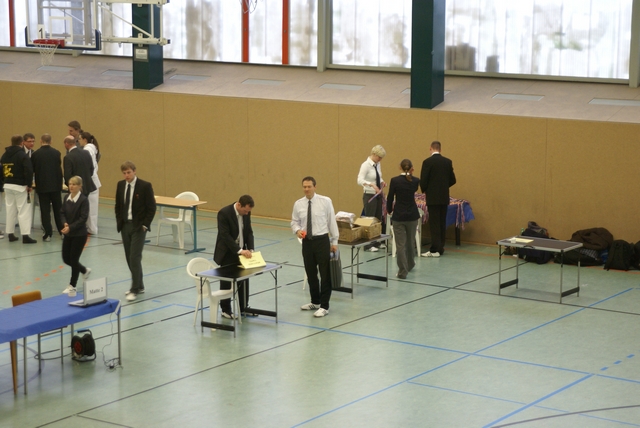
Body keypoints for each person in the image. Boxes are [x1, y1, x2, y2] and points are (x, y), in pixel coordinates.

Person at [291, 176, 339, 318]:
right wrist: (297, 230)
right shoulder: (298, 204)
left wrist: (334, 242)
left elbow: (331, 222)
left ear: (315, 187)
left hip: (322, 241)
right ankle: (315, 301)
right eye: (304, 187)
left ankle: (324, 306)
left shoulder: (325, 201)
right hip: (307, 242)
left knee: (325, 274)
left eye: (309, 186)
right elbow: (294, 221)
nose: (306, 189)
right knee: (311, 273)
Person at [114, 161, 156, 301]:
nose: (126, 175)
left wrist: (145, 225)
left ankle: (134, 288)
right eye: (124, 173)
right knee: (128, 257)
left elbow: (151, 208)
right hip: (125, 226)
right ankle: (140, 285)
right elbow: (118, 205)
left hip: (138, 227)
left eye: (129, 172)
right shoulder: (120, 185)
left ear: (134, 171)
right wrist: (119, 221)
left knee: (134, 257)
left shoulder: (144, 186)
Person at [213, 195, 255, 319]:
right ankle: (225, 310)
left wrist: (251, 249)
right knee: (226, 282)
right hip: (227, 252)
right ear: (239, 205)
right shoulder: (224, 213)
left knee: (244, 279)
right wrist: (239, 251)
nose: (246, 213)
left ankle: (244, 307)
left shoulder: (246, 213)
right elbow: (225, 235)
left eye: (248, 211)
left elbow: (249, 232)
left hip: (242, 251)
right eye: (245, 211)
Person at [419, 141, 456, 258]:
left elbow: (423, 181)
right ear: (440, 149)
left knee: (434, 223)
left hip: (433, 197)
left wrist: (427, 190)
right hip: (444, 197)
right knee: (441, 222)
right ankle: (441, 247)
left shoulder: (427, 162)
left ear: (430, 148)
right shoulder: (447, 162)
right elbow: (453, 180)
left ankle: (435, 249)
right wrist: (443, 187)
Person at [386, 159, 421, 279]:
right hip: (412, 215)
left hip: (399, 215)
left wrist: (389, 210)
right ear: (412, 168)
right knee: (410, 242)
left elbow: (390, 197)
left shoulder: (395, 181)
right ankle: (410, 264)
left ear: (399, 167)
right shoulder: (415, 181)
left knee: (400, 244)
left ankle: (402, 271)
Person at [0, 135, 36, 243]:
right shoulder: (22, 155)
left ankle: (10, 234)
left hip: (7, 185)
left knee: (10, 210)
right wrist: (29, 185)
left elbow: (2, 170)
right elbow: (28, 170)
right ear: (21, 143)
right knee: (24, 211)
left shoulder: (4, 155)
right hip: (20, 186)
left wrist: (4, 181)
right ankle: (25, 236)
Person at [60, 176, 91, 294]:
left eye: (74, 184)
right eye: (70, 184)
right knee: (66, 258)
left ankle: (72, 285)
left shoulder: (83, 200)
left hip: (79, 235)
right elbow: (62, 212)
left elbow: (83, 218)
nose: (71, 186)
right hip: (69, 234)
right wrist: (64, 223)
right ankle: (84, 270)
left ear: (80, 186)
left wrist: (70, 227)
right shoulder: (66, 198)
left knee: (74, 260)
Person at [31, 134, 64, 241]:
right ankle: (62, 231)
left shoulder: (35, 154)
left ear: (41, 141)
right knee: (58, 209)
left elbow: (33, 169)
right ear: (51, 141)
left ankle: (47, 234)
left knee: (45, 210)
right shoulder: (57, 153)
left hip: (42, 186)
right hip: (55, 186)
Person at [357, 145, 386, 252]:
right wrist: (371, 184)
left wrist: (382, 181)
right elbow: (359, 180)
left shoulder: (377, 164)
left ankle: (376, 241)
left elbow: (378, 176)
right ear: (373, 154)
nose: (380, 159)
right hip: (369, 195)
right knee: (369, 219)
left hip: (378, 195)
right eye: (379, 157)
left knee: (378, 219)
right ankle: (368, 245)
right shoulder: (365, 165)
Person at [79, 132, 101, 234]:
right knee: (91, 206)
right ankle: (90, 228)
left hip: (91, 181)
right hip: (91, 180)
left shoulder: (88, 150)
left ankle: (92, 229)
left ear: (85, 139)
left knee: (91, 207)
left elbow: (90, 167)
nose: (79, 141)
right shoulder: (92, 149)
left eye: (80, 139)